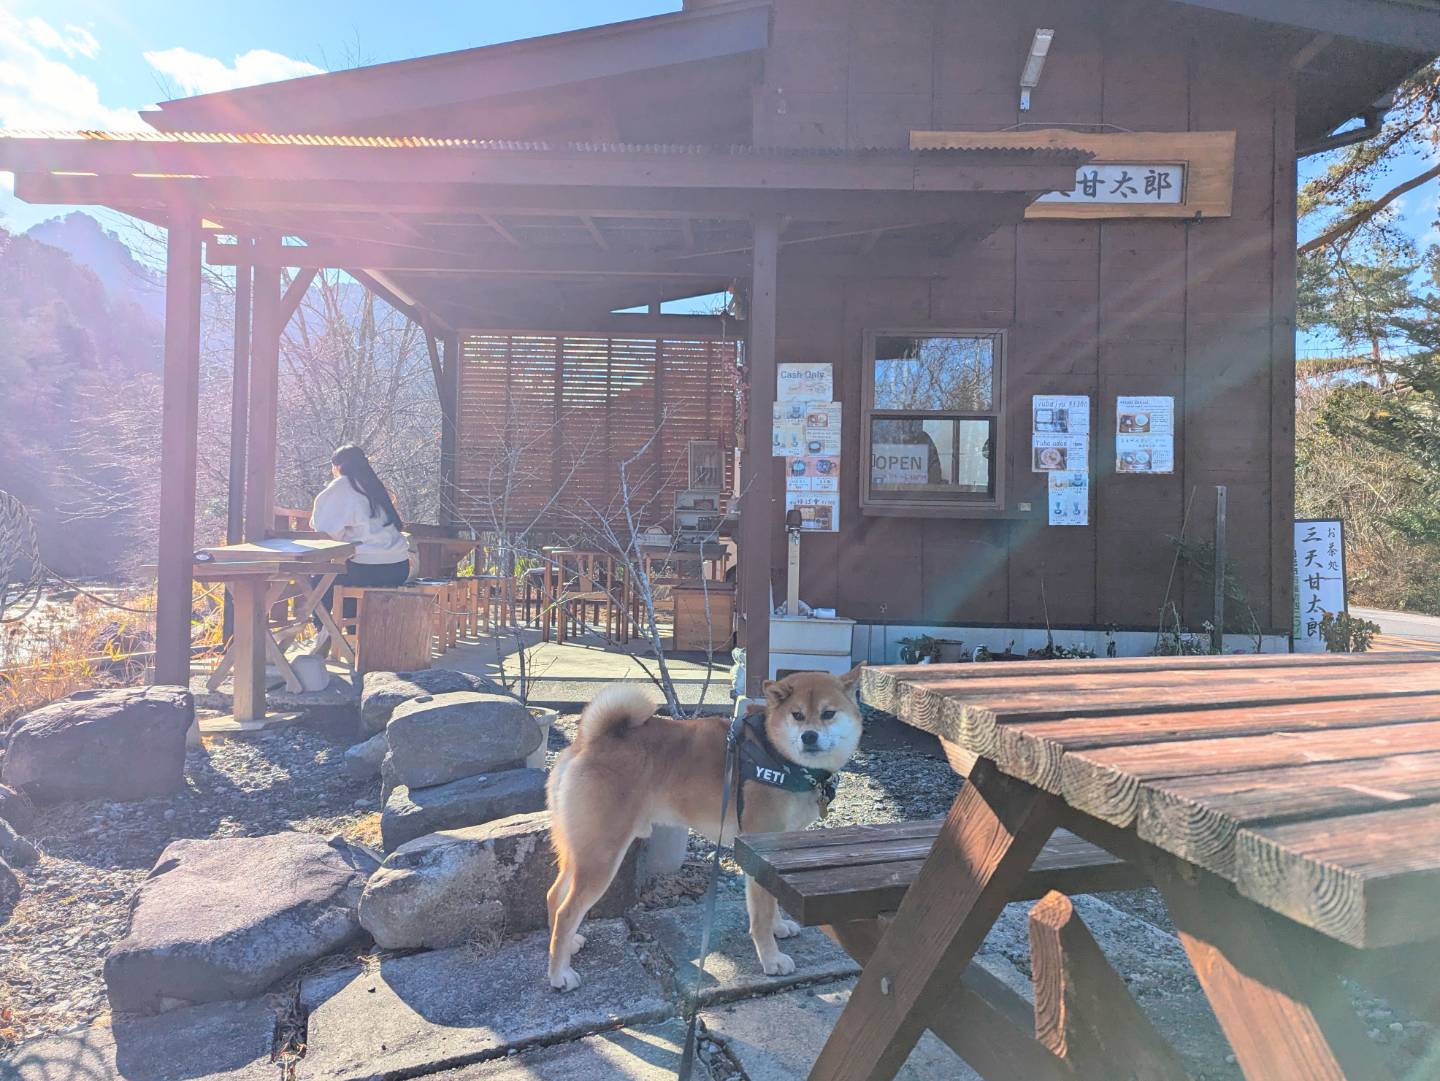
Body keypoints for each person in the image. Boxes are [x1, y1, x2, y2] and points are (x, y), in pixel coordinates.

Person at [309, 445, 411, 652]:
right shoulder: (373, 485)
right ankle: (356, 635)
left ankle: (325, 633)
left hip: (368, 568)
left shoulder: (342, 486)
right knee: (344, 579)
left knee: (319, 580)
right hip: (399, 567)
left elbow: (326, 531)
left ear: (337, 466)